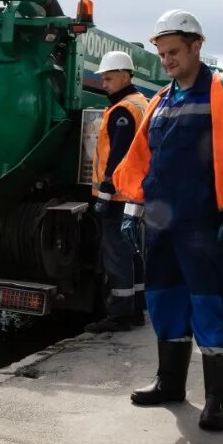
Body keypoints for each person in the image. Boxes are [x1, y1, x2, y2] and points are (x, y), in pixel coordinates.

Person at [114, 10, 223, 432]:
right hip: (161, 224)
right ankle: (170, 383)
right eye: (162, 53)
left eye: (174, 52)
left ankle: (217, 400)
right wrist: (133, 209)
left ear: (197, 46)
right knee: (164, 301)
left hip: (201, 223)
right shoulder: (161, 101)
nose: (167, 60)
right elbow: (144, 161)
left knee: (207, 306)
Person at [86, 50, 149, 333]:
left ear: (125, 75)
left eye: (109, 78)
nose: (104, 83)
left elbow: (118, 157)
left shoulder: (123, 110)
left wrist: (106, 194)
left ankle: (120, 315)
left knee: (116, 255)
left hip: (118, 197)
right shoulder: (140, 103)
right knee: (133, 251)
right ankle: (136, 309)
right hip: (134, 195)